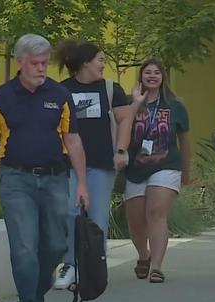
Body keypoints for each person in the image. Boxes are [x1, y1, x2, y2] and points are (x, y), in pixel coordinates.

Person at [0, 34, 89, 302]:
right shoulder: (1, 99)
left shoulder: (59, 96)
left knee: (55, 245)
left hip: (55, 179)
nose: (41, 69)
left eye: (44, 63)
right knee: (24, 245)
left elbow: (73, 141)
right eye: (35, 63)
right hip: (16, 180)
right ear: (20, 62)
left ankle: (36, 292)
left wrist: (83, 185)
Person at [52, 40, 135, 289]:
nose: (103, 64)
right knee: (69, 211)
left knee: (96, 218)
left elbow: (125, 119)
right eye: (100, 59)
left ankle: (93, 269)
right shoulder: (61, 90)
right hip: (67, 163)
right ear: (85, 62)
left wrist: (121, 150)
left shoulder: (111, 89)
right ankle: (70, 264)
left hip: (100, 162)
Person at [124, 58, 191, 283]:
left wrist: (186, 171)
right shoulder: (129, 101)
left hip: (166, 164)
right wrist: (134, 104)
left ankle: (156, 267)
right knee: (135, 219)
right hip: (135, 167)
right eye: (147, 72)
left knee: (156, 212)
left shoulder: (175, 105)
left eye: (157, 73)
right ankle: (144, 256)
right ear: (141, 76)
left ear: (163, 77)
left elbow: (185, 141)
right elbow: (120, 129)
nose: (152, 76)